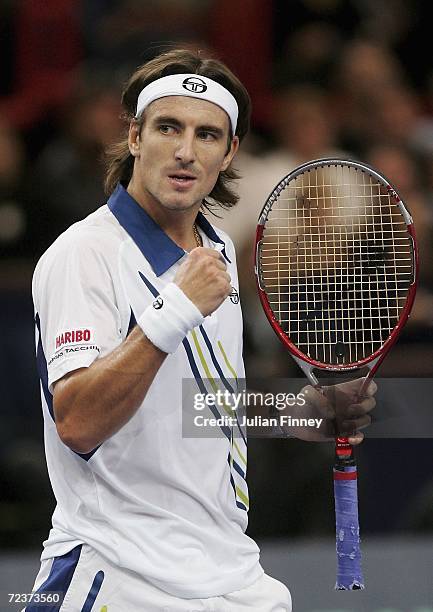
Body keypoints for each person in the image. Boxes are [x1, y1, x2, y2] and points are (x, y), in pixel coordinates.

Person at [29, 49, 375, 611]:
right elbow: (78, 421)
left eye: (208, 134)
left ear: (230, 150)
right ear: (136, 136)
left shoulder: (213, 251)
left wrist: (302, 412)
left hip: (229, 574)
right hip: (118, 575)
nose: (186, 152)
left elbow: (198, 406)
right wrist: (174, 310)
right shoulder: (83, 254)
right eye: (169, 127)